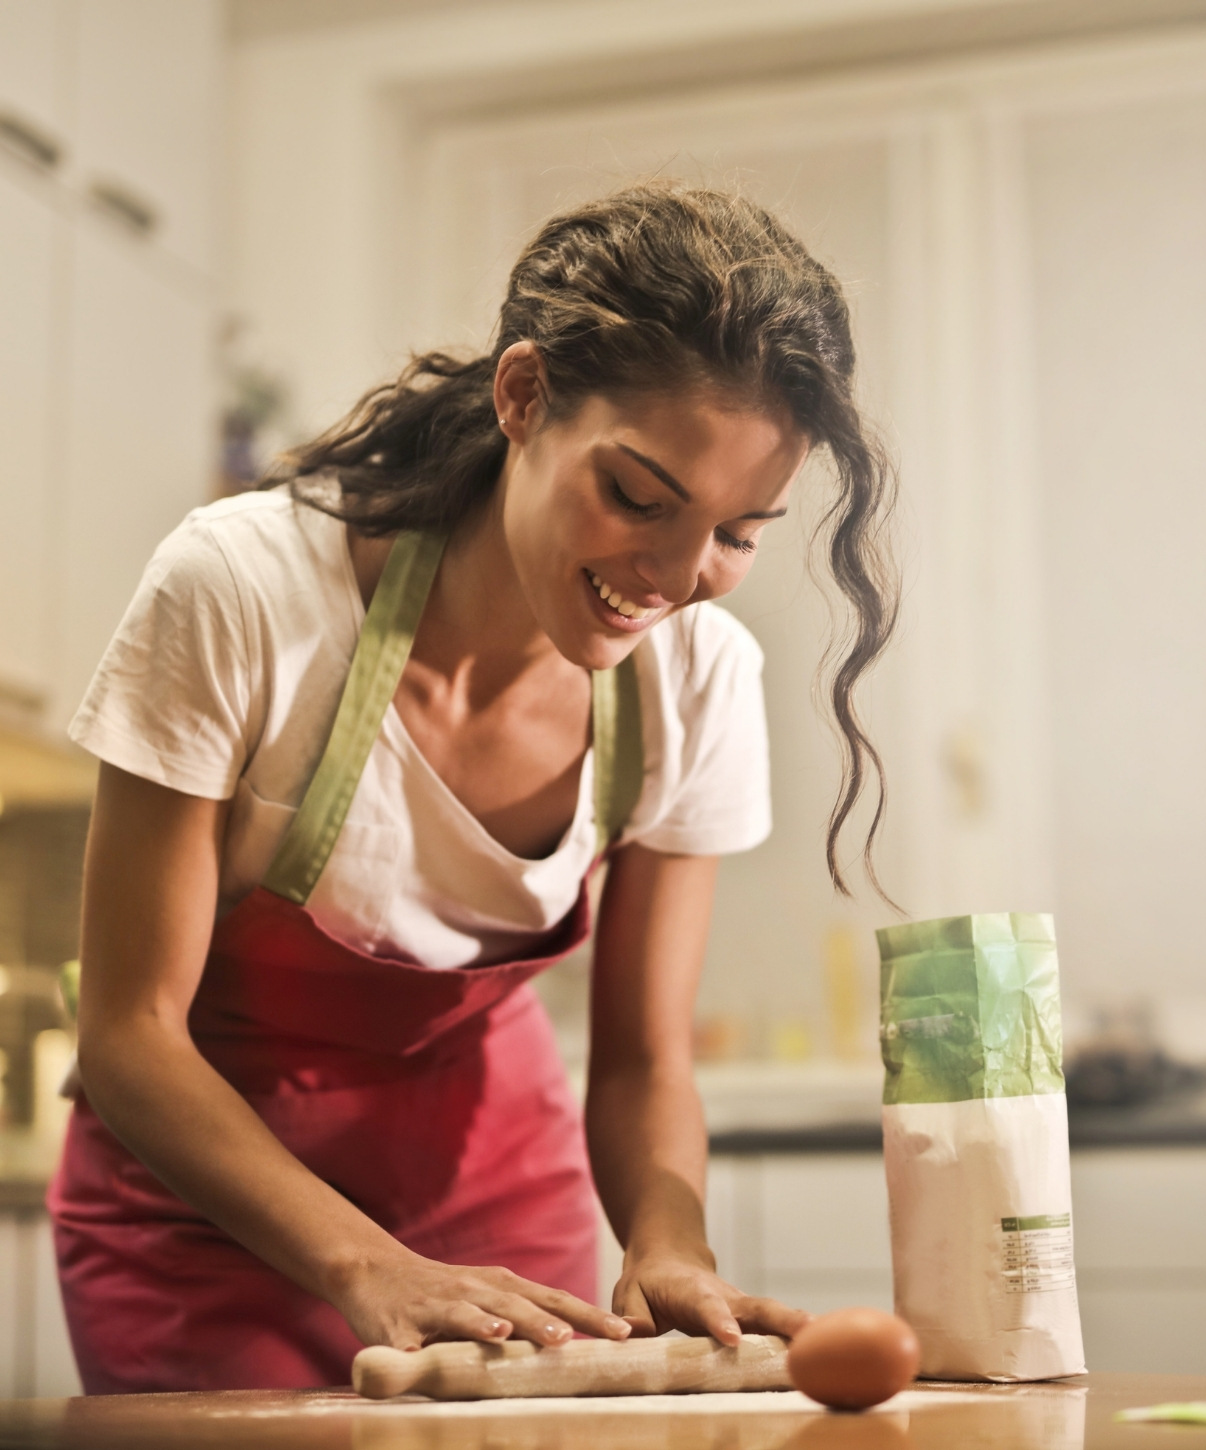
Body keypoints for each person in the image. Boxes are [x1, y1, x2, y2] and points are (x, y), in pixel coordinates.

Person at [47, 181, 897, 1394]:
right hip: (204, 1224)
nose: (673, 575)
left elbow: (644, 1060)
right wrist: (369, 1266)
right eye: (638, 497)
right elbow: (130, 1033)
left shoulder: (697, 679)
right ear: (522, 396)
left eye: (737, 533)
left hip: (498, 1210)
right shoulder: (244, 592)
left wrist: (669, 1245)